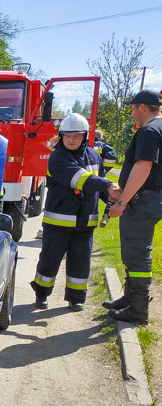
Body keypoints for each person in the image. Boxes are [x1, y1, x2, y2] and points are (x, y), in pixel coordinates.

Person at [29, 113, 119, 311]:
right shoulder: (57, 157)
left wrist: (112, 198)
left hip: (85, 223)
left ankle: (77, 298)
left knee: (81, 263)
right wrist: (109, 185)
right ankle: (42, 293)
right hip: (58, 224)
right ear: (60, 136)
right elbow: (79, 179)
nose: (71, 140)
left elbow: (99, 184)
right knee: (49, 260)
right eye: (67, 136)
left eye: (76, 136)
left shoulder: (94, 156)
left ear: (84, 136)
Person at [104, 89, 162, 325]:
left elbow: (143, 167)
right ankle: (130, 299)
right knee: (136, 252)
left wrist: (122, 201)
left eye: (132, 108)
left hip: (143, 201)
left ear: (141, 107)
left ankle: (137, 309)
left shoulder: (149, 130)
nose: (130, 113)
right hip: (152, 198)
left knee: (136, 254)